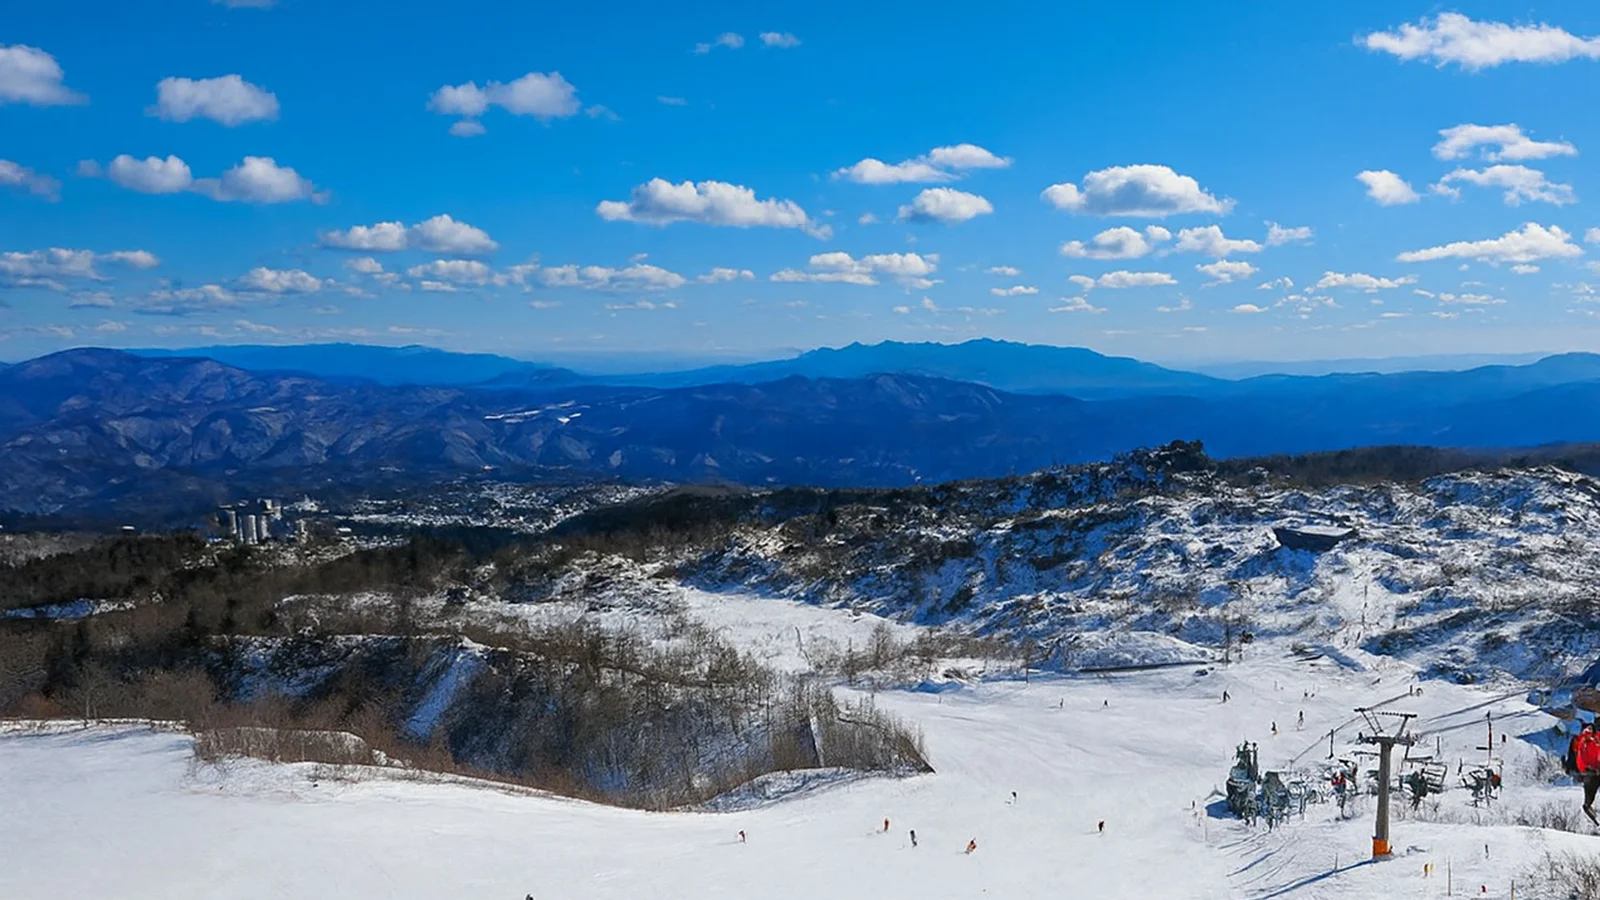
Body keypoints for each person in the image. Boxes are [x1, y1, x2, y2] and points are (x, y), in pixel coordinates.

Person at [1571, 721, 1600, 824]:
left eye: (1591, 728)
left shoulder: (1596, 738)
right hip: (1589, 772)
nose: (1589, 730)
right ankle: (1590, 812)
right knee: (1589, 795)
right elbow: (1578, 753)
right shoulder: (1581, 741)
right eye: (1587, 729)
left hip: (1597, 770)